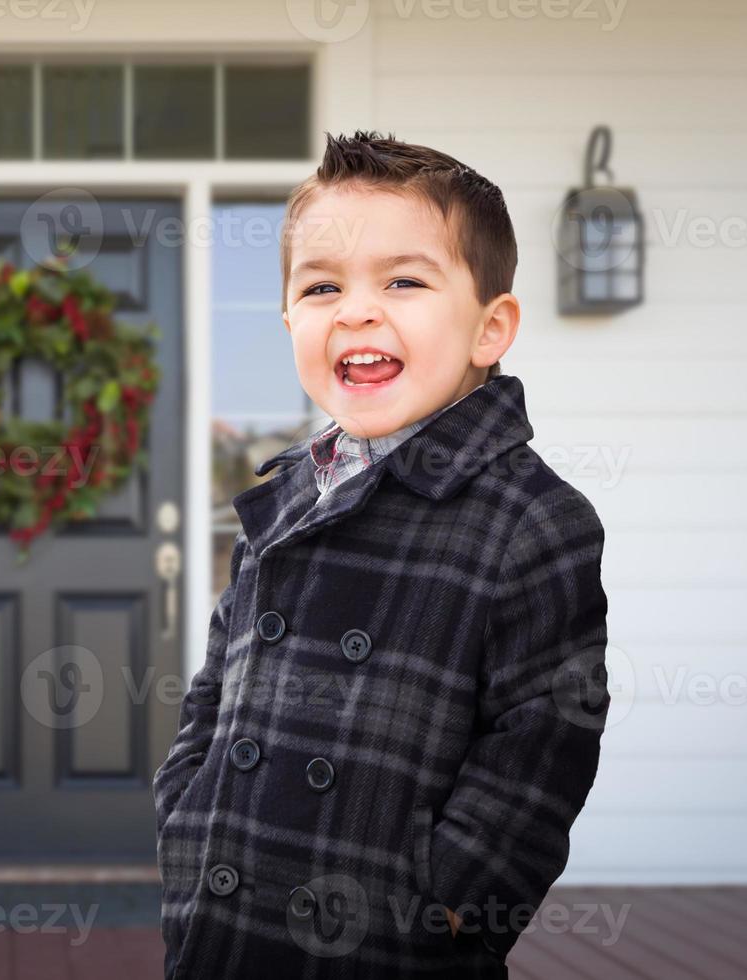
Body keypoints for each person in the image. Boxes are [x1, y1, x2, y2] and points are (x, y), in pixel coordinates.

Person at [152, 130, 611, 979]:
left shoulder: (531, 519)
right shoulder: (287, 493)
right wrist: (184, 805)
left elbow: (543, 744)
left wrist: (451, 900)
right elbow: (219, 679)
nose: (356, 310)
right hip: (228, 908)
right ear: (291, 321)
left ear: (489, 327)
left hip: (388, 940)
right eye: (322, 287)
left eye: (404, 281)